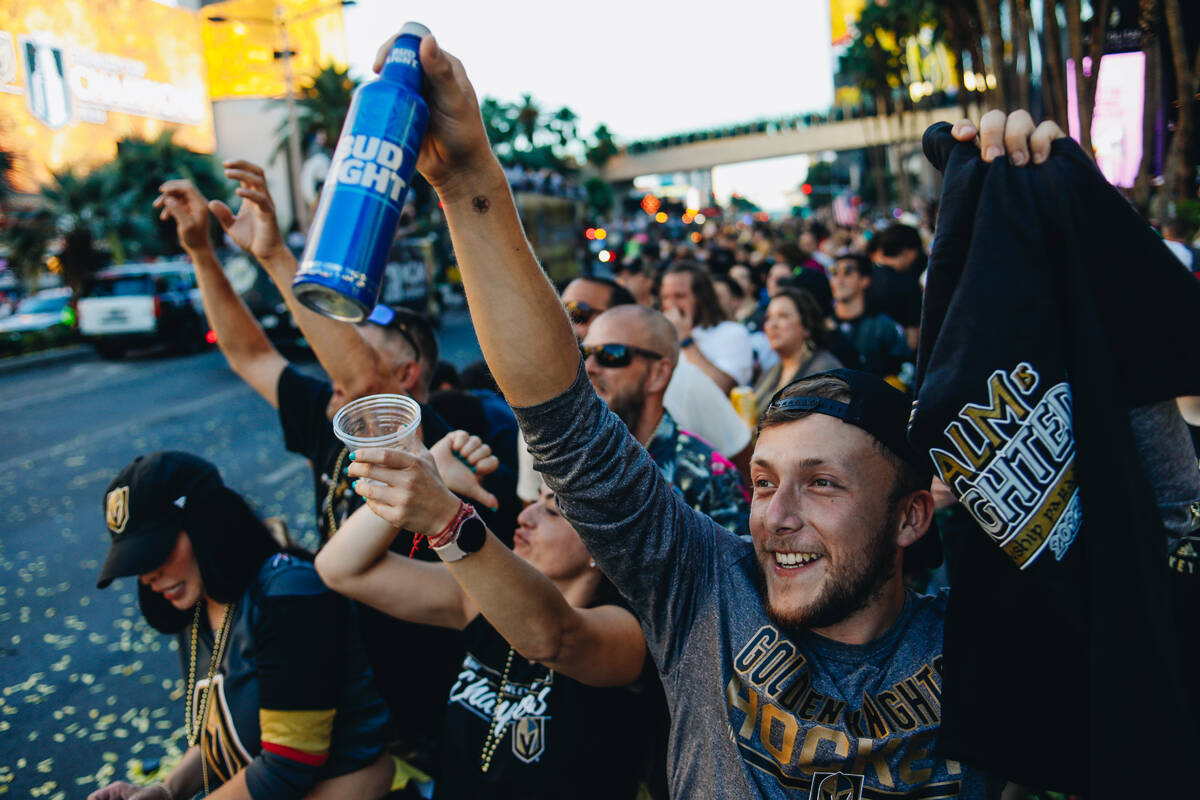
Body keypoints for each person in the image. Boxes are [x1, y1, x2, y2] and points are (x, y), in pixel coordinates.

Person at [369, 29, 1059, 794]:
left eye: (823, 482)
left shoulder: (989, 645)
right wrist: (468, 179)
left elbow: (1156, 535)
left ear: (910, 517)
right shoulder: (706, 589)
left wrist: (1057, 229)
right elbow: (561, 418)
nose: (776, 516)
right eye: (763, 482)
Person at [155, 169, 505, 765]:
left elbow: (361, 378)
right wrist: (200, 252)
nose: (332, 368)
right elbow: (247, 353)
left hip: (436, 688)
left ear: (407, 379)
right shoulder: (330, 417)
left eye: (351, 343)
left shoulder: (437, 436)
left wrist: (275, 254)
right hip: (357, 679)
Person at [314, 436, 659, 799]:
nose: (526, 516)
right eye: (534, 501)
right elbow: (339, 568)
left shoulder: (629, 633)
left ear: (602, 543)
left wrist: (446, 519)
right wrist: (437, 475)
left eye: (553, 510)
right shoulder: (476, 602)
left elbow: (551, 638)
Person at [89, 452, 395, 800]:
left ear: (207, 524)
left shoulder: (289, 595)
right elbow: (219, 737)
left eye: (155, 551)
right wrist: (166, 789)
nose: (147, 576)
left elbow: (288, 765)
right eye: (137, 560)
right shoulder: (193, 603)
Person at [582, 304, 749, 534]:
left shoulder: (708, 476)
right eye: (584, 354)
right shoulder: (574, 453)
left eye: (611, 354)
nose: (589, 367)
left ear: (657, 374)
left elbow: (736, 567)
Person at [660, 262, 755, 393]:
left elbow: (723, 388)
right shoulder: (662, 337)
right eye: (666, 297)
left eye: (679, 296)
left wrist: (686, 341)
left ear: (701, 298)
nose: (671, 304)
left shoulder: (732, 333)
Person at [752, 287, 841, 416]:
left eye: (783, 316)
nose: (772, 324)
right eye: (769, 317)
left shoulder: (824, 370)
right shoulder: (770, 372)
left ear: (806, 326)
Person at [829, 253, 912, 380]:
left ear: (864, 280)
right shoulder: (824, 326)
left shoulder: (883, 325)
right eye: (834, 273)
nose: (839, 281)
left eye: (847, 273)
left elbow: (905, 370)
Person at [865, 223, 925, 349]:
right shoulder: (910, 284)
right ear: (908, 252)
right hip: (895, 357)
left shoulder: (863, 276)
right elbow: (913, 339)